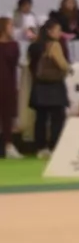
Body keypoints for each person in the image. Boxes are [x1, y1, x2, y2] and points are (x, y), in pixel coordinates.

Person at [27, 18, 70, 158]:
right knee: (57, 117)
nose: (60, 33)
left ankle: (40, 147)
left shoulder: (35, 46)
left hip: (39, 86)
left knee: (41, 118)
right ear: (50, 31)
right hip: (54, 87)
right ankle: (54, 145)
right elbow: (63, 65)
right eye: (58, 30)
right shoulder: (54, 45)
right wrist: (67, 69)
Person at [0, 16, 19, 158]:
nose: (12, 27)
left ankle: (9, 145)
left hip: (7, 83)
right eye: (10, 25)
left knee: (7, 116)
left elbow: (13, 64)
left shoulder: (13, 45)